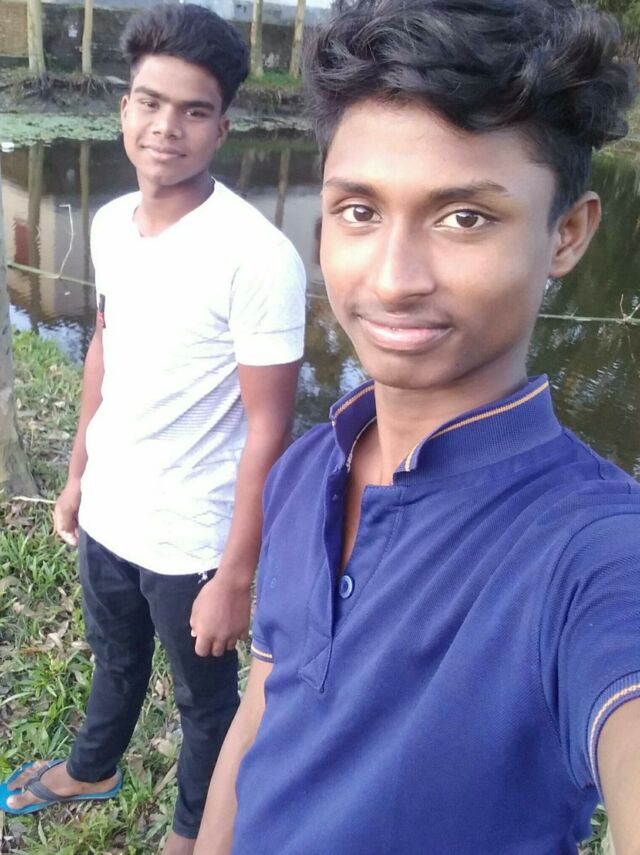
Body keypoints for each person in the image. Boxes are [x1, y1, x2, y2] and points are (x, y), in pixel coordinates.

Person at [192, 1, 640, 853]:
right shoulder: (306, 468)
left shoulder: (591, 549)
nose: (393, 279)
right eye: (359, 211)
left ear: (567, 234)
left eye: (463, 216)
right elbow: (262, 714)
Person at [0, 5, 306, 855]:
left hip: (191, 536)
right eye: (150, 102)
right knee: (114, 656)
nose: (166, 127)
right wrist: (77, 474)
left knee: (205, 703)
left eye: (194, 110)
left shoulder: (258, 257)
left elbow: (269, 428)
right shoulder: (109, 224)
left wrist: (235, 574)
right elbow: (106, 347)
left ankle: (191, 832)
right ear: (124, 108)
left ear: (223, 127)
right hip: (111, 508)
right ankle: (92, 765)